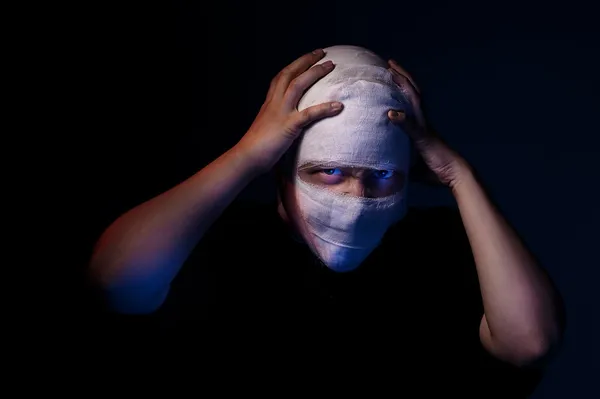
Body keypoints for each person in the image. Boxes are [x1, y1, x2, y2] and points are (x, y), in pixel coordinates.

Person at [87, 46, 564, 396]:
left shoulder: (439, 249)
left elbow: (529, 343)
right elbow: (116, 280)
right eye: (329, 171)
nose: (356, 197)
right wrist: (248, 154)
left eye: (381, 175)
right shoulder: (218, 245)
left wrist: (459, 174)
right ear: (282, 164)